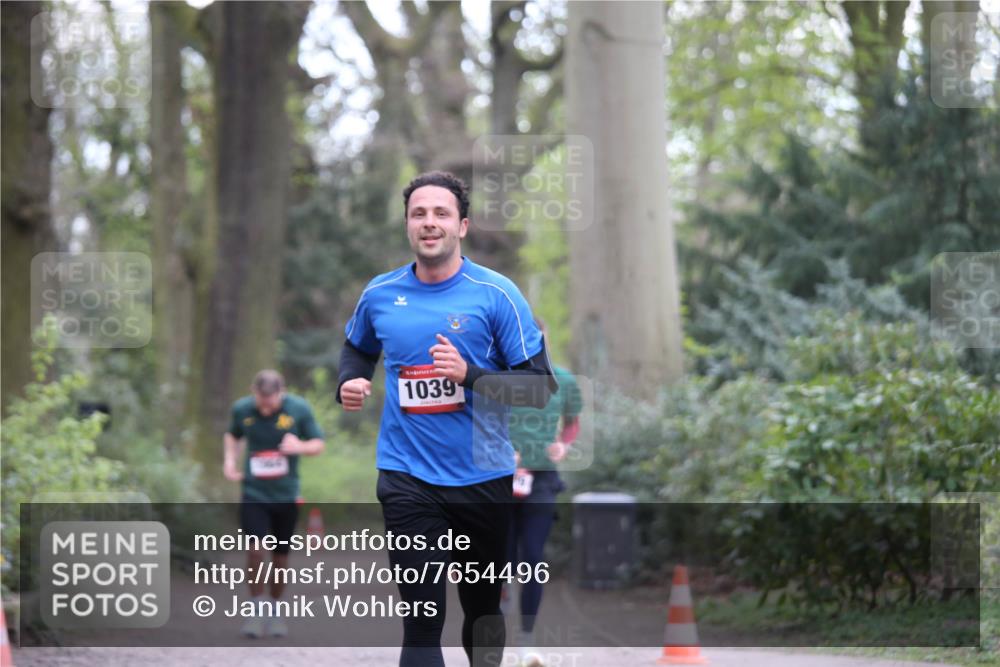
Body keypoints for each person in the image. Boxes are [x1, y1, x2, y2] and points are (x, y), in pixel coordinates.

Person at [337, 170, 558, 667]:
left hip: (484, 477)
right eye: (419, 214)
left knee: (481, 610)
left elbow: (540, 388)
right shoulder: (380, 294)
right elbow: (356, 349)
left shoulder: (496, 294)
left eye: (441, 213)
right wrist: (349, 381)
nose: (429, 223)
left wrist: (471, 375)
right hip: (406, 476)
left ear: (463, 226)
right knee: (421, 618)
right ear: (408, 225)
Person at [504, 317, 583, 667]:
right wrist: (500, 452)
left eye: (536, 339)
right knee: (496, 564)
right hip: (496, 484)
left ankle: (526, 640)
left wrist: (563, 446)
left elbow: (572, 423)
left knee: (533, 561)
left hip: (541, 481)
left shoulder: (564, 381)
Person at [223, 369, 325, 638]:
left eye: (272, 402)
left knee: (280, 558)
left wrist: (299, 447)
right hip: (254, 493)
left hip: (286, 495)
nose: (266, 408)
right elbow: (232, 435)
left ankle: (275, 610)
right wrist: (230, 461)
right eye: (262, 401)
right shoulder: (242, 409)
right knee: (255, 551)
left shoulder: (298, 409)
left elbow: (318, 444)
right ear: (253, 393)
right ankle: (256, 611)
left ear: (282, 393)